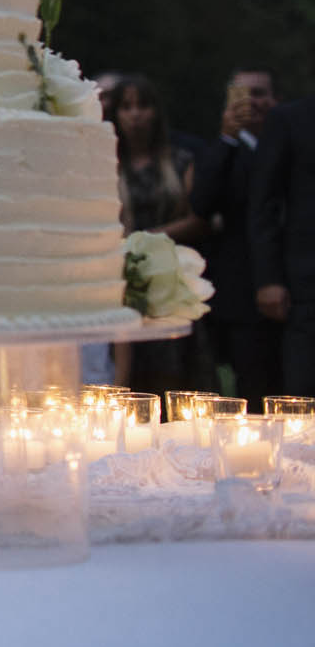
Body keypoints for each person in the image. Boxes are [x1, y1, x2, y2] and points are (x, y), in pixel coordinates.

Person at [108, 73, 215, 396]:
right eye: (126, 107)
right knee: (131, 369)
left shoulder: (180, 160)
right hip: (123, 278)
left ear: (156, 112)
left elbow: (199, 219)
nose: (135, 114)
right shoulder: (110, 164)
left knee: (176, 368)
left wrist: (148, 241)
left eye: (143, 106)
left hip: (171, 274)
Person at [194, 67, 284, 401]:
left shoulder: (290, 146)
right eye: (243, 95)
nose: (253, 103)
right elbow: (202, 202)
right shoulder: (221, 149)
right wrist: (228, 136)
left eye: (260, 93)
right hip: (241, 293)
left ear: (276, 99)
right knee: (252, 385)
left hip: (292, 285)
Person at [251, 96, 315, 395]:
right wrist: (268, 278)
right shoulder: (291, 118)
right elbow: (264, 203)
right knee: (304, 392)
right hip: (306, 285)